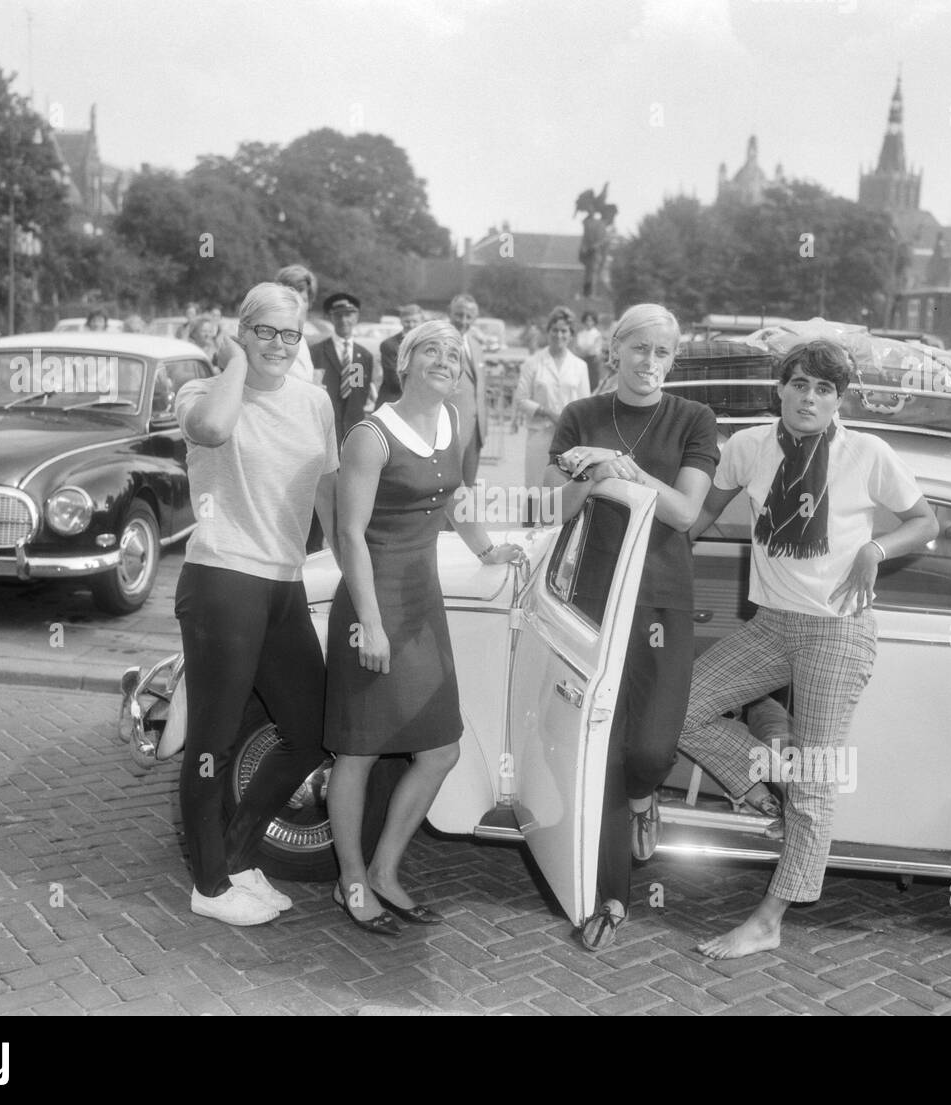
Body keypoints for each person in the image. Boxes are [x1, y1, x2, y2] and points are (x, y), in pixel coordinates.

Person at [680, 339, 938, 959]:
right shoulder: (748, 447)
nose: (809, 398)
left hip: (838, 632)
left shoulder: (867, 453)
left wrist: (876, 548)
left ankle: (767, 921)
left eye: (824, 389)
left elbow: (926, 522)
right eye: (799, 384)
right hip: (772, 625)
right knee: (681, 709)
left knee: (816, 779)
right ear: (780, 389)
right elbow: (694, 520)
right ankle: (765, 790)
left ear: (838, 400)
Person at [325, 320, 522, 935]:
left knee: (440, 750)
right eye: (431, 350)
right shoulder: (371, 436)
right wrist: (370, 623)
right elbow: (350, 533)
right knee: (358, 750)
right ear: (404, 364)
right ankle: (351, 881)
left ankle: (385, 871)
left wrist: (487, 548)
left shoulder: (452, 422)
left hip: (423, 604)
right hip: (373, 603)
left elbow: (456, 498)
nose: (444, 360)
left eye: (454, 354)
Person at [545, 303, 719, 951]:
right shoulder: (579, 416)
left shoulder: (693, 418)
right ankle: (610, 897)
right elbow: (552, 505)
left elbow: (684, 511)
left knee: (649, 751)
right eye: (639, 347)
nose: (650, 362)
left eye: (663, 351)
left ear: (674, 359)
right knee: (606, 749)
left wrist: (626, 467)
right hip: (593, 602)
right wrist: (590, 473)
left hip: (662, 602)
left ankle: (646, 797)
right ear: (614, 349)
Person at [171, 281, 339, 927]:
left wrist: (355, 571)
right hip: (222, 578)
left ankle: (238, 857)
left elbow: (327, 496)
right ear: (241, 332)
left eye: (289, 334)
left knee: (310, 730)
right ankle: (209, 886)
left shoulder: (314, 401)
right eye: (263, 331)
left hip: (283, 582)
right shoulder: (203, 393)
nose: (278, 344)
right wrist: (236, 360)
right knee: (211, 742)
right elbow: (213, 429)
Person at [515, 306, 590, 519]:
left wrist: (569, 421)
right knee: (534, 486)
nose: (559, 335)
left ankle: (557, 534)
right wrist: (547, 412)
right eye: (554, 330)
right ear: (547, 332)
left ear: (571, 334)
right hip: (539, 435)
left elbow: (585, 404)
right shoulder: (533, 363)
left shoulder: (580, 366)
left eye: (564, 331)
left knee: (563, 489)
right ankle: (530, 529)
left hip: (569, 439)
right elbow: (520, 400)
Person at [312, 291, 374, 447]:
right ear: (331, 318)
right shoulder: (316, 352)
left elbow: (360, 393)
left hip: (354, 430)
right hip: (325, 429)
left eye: (348, 315)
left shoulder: (364, 356)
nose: (343, 320)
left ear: (356, 317)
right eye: (338, 315)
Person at [448, 293, 489, 488]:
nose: (463, 321)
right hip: (450, 429)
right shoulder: (440, 343)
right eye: (459, 315)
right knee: (448, 489)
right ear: (450, 313)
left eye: (469, 317)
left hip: (475, 431)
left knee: (467, 490)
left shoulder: (476, 346)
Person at [275, 264, 319, 384]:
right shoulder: (272, 338)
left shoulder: (301, 340)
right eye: (292, 299)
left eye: (303, 300)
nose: (297, 306)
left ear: (310, 303)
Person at [377, 303, 424, 407]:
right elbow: (394, 381)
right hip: (394, 401)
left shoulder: (427, 345)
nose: (411, 325)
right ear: (401, 321)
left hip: (419, 403)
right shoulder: (389, 345)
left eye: (415, 321)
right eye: (407, 321)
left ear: (422, 322)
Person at [575, 311, 604, 393]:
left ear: (594, 322)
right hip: (582, 359)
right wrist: (586, 349)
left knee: (593, 383)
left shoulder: (597, 334)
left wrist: (586, 349)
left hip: (593, 361)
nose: (588, 323)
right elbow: (578, 348)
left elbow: (595, 349)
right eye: (587, 320)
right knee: (582, 382)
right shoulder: (580, 334)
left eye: (591, 320)